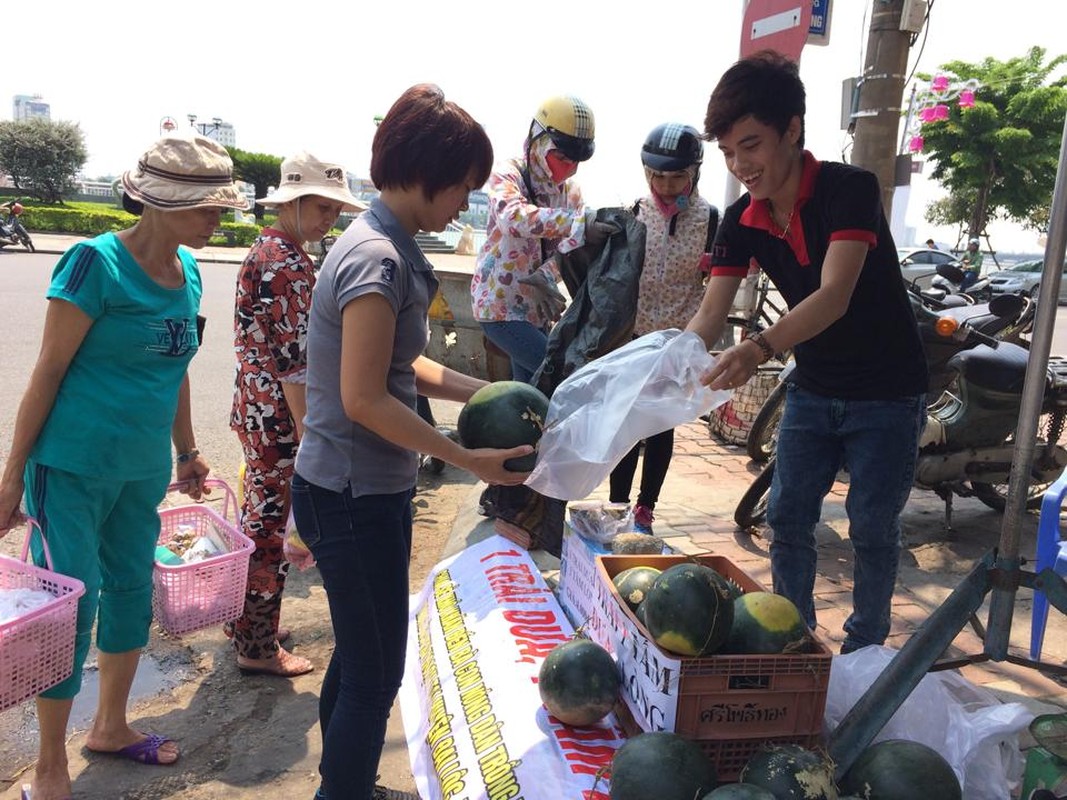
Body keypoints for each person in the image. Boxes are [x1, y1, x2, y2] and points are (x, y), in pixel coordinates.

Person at [290, 84, 532, 800]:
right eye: (462, 187)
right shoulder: (379, 260)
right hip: (348, 495)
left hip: (367, 490)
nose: (465, 203)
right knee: (373, 672)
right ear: (428, 171)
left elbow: (407, 365)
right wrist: (464, 456)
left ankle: (345, 784)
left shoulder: (386, 245)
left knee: (359, 659)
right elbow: (364, 398)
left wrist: (488, 393)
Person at [0, 134, 247, 800]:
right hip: (70, 469)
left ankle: (109, 726)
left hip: (140, 473)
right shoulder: (92, 264)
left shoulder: (189, 270)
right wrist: (10, 480)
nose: (217, 222)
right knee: (67, 608)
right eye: (206, 210)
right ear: (164, 204)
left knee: (132, 596)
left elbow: (177, 368)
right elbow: (47, 371)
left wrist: (188, 452)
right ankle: (50, 763)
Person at [685, 51, 928, 654]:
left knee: (872, 526)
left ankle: (865, 648)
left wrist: (760, 347)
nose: (742, 165)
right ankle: (790, 640)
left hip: (887, 391)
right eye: (728, 153)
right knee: (787, 518)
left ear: (792, 130)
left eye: (752, 145)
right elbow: (711, 314)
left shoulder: (850, 190)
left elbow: (835, 296)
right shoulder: (742, 220)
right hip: (814, 389)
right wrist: (658, 367)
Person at [228, 151, 363, 677]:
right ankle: (257, 645)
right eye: (322, 207)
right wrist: (309, 434)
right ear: (294, 201)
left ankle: (245, 620)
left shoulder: (269, 248)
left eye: (335, 210)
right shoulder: (286, 263)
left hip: (256, 408)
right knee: (268, 526)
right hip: (280, 418)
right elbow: (294, 366)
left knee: (258, 516)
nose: (329, 219)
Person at [609, 123, 719, 534]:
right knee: (624, 426)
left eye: (676, 177)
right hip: (632, 339)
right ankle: (617, 504)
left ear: (694, 173)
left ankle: (645, 508)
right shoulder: (633, 213)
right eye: (657, 176)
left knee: (659, 427)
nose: (666, 186)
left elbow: (716, 288)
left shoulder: (711, 220)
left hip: (676, 342)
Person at [470, 94, 615, 383]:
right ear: (537, 140)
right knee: (557, 375)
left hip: (536, 311)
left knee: (529, 399)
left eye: (575, 161)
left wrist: (545, 276)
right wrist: (578, 222)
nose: (569, 167)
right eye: (561, 157)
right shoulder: (509, 174)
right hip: (501, 307)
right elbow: (514, 218)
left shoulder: (570, 192)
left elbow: (569, 248)